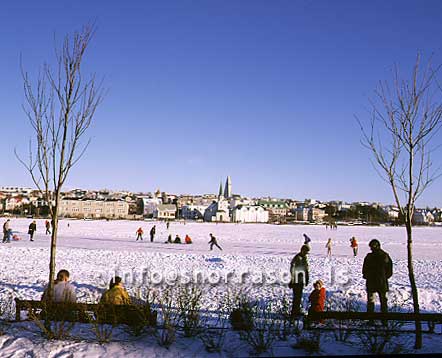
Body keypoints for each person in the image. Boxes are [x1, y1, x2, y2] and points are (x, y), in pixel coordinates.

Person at [362, 239, 393, 313]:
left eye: (371, 247)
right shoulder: (384, 256)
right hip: (379, 282)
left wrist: (382, 277)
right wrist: (384, 277)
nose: (371, 249)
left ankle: (372, 319)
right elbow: (389, 271)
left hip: (376, 282)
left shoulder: (382, 256)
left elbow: (364, 270)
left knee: (374, 301)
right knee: (381, 302)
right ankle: (382, 320)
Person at [289, 244, 310, 317]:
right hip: (296, 280)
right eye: (306, 252)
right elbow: (292, 269)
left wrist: (307, 278)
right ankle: (294, 313)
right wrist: (292, 280)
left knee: (299, 297)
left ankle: (297, 311)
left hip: (301, 280)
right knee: (296, 297)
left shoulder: (304, 258)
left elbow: (306, 269)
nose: (306, 254)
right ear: (302, 250)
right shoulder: (297, 258)